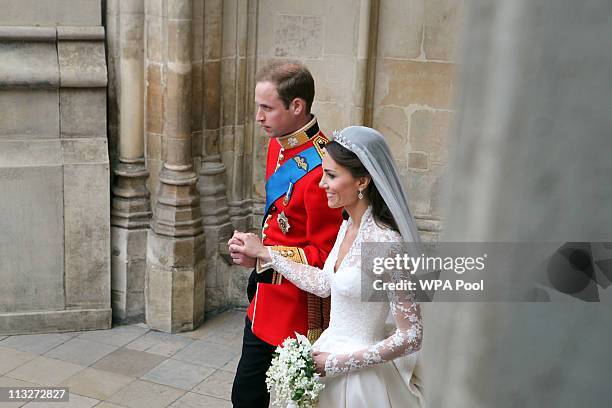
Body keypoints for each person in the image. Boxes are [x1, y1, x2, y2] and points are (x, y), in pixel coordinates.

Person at [230, 126, 425, 407]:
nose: (321, 183)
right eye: (323, 172)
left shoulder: (386, 243)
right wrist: (266, 254)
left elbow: (411, 335)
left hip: (360, 379)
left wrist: (339, 363)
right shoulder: (347, 225)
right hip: (326, 350)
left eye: (331, 176)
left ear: (362, 181)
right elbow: (324, 284)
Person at [229, 60, 343, 408]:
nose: (258, 117)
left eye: (267, 108)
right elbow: (279, 224)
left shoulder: (325, 168)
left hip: (298, 309)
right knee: (246, 396)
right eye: (257, 107)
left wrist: (266, 254)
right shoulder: (278, 143)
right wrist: (255, 252)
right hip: (265, 295)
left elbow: (324, 258)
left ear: (297, 107)